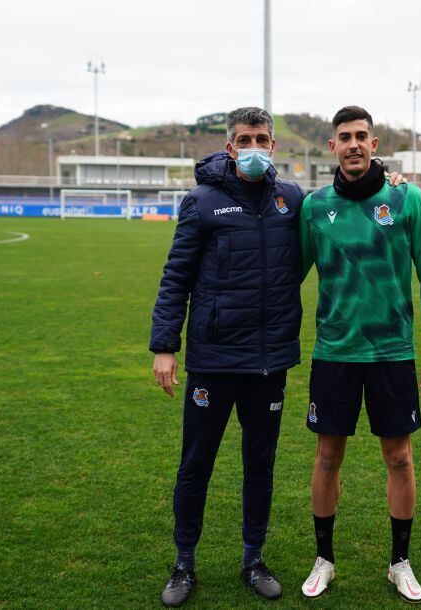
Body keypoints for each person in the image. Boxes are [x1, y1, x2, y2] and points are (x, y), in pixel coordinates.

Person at [149, 106, 303, 607]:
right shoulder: (202, 201)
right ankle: (183, 564)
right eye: (245, 139)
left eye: (262, 138)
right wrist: (165, 346)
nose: (254, 147)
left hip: (269, 360)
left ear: (273, 146)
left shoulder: (292, 200)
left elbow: (345, 203)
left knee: (260, 464)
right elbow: (177, 276)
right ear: (230, 146)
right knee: (196, 464)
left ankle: (254, 558)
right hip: (213, 361)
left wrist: (388, 177)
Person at [297, 106, 421, 603]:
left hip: (391, 353)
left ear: (375, 143)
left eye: (362, 136)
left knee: (399, 457)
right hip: (335, 352)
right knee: (327, 455)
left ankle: (399, 562)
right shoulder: (315, 207)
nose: (354, 144)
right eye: (345, 137)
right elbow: (287, 278)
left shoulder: (406, 199)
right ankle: (324, 559)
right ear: (332, 147)